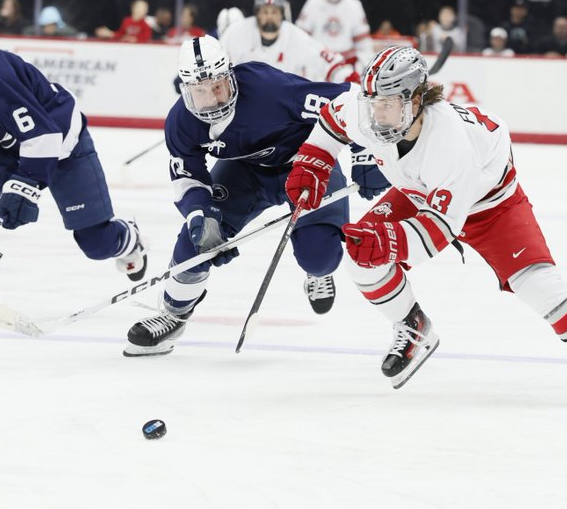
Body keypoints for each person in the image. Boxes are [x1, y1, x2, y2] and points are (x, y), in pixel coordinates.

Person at [283, 46, 567, 408]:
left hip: (491, 205)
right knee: (361, 259)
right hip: (422, 191)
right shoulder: (371, 109)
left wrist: (389, 239)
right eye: (373, 102)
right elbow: (331, 122)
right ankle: (413, 326)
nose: (377, 115)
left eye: (388, 104)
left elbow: (439, 230)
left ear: (416, 101)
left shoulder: (449, 143)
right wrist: (313, 162)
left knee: (539, 286)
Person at [122, 36, 389, 357]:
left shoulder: (269, 90)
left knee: (319, 257)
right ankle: (174, 314)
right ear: (184, 90)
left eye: (218, 86)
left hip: (306, 162)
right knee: (196, 242)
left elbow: (350, 99)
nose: (212, 100)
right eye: (199, 91)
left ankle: (317, 274)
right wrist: (200, 215)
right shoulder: (181, 121)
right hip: (244, 172)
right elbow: (187, 176)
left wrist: (365, 153)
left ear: (231, 75)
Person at [0, 10, 147, 320]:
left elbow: (44, 137)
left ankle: (129, 238)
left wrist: (24, 187)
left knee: (96, 244)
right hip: (11, 141)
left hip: (62, 145)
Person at [221, 0, 357, 83]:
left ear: (282, 13)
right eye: (265, 12)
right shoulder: (236, 32)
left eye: (274, 12)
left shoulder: (296, 36)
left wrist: (351, 79)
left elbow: (328, 61)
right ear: (257, 13)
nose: (269, 17)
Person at [296, 0, 374, 69]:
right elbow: (301, 35)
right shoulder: (313, 2)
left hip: (345, 61)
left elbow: (363, 40)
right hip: (318, 59)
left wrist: (366, 62)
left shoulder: (354, 5)